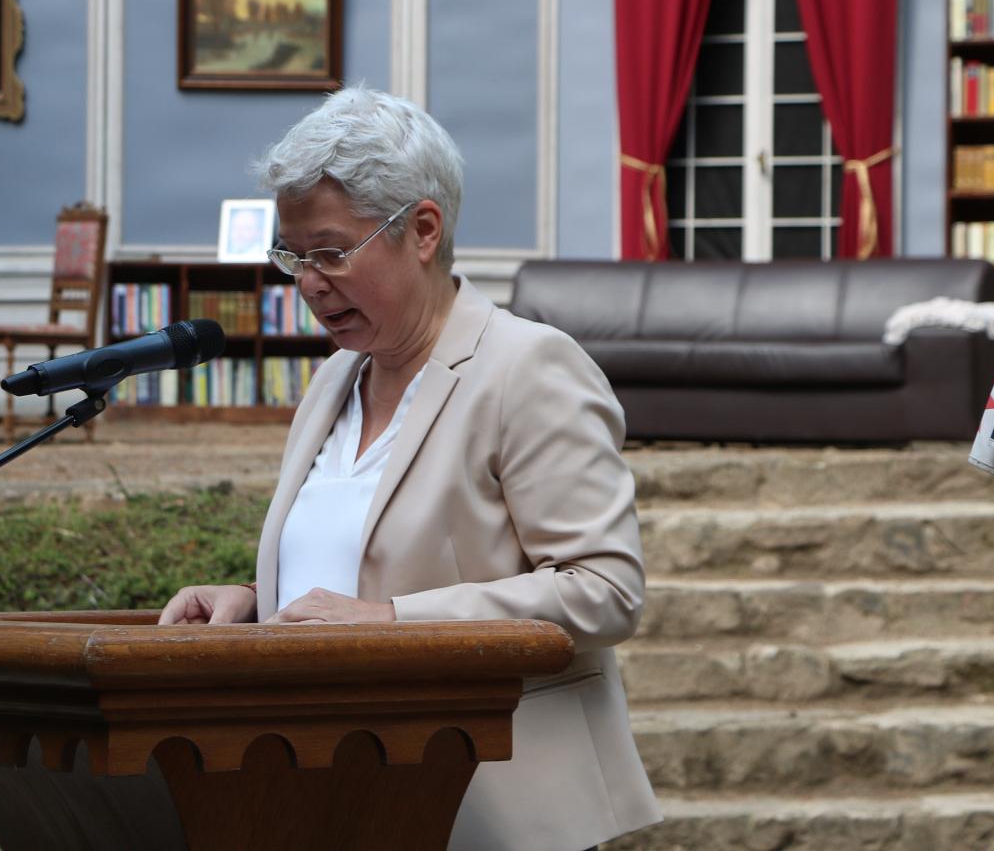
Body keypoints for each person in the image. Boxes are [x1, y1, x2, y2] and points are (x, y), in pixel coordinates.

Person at [160, 86, 660, 850]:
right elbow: (362, 574)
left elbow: (605, 591)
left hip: (489, 807)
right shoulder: (334, 379)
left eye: (331, 252)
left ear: (423, 230)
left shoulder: (528, 368)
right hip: (331, 801)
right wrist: (258, 605)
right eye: (293, 256)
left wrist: (391, 623)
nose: (308, 282)